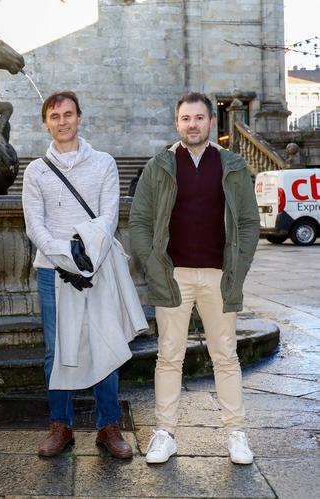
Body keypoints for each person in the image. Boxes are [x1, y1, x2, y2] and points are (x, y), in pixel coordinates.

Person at [129, 92, 260, 465]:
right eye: (186, 118)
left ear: (210, 122)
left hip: (220, 277)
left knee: (226, 356)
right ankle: (165, 433)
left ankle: (236, 433)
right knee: (169, 356)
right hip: (175, 277)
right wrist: (156, 265)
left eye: (199, 118)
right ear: (177, 123)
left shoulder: (231, 166)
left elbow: (249, 222)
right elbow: (139, 220)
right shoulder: (160, 166)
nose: (192, 124)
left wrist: (240, 265)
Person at [22, 91, 134, 459]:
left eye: (68, 114)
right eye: (55, 116)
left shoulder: (104, 163)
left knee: (104, 341)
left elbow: (109, 217)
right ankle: (61, 425)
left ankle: (108, 425)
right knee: (57, 349)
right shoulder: (36, 171)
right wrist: (66, 256)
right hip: (52, 272)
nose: (62, 121)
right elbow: (34, 226)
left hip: (96, 266)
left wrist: (85, 255)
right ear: (46, 123)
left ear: (79, 118)